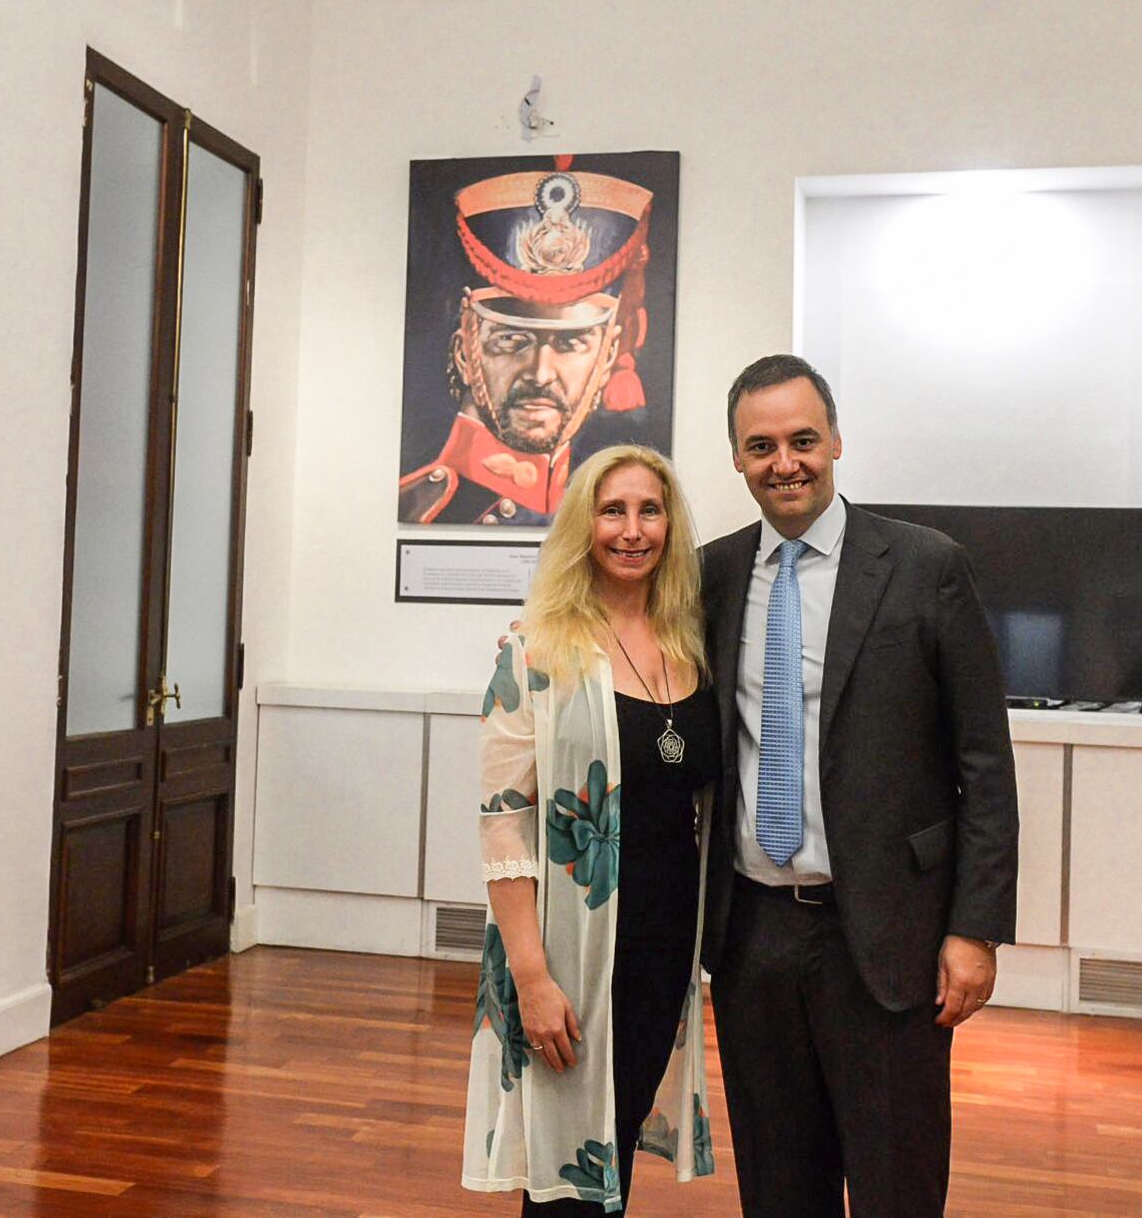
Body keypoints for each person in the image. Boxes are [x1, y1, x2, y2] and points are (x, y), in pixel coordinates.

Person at [699, 354, 1019, 1217]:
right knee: (778, 1189)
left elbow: (984, 764)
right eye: (761, 445)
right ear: (737, 457)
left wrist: (976, 928)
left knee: (896, 1188)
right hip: (753, 937)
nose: (785, 462)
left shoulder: (925, 565)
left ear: (836, 440)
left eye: (803, 439)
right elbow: (622, 643)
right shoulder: (710, 576)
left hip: (886, 938)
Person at [462, 445, 721, 1213]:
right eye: (613, 511)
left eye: (649, 510)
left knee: (612, 1153)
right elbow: (503, 826)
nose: (632, 530)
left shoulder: (692, 644)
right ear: (584, 524)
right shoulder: (535, 650)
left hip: (662, 949)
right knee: (564, 1170)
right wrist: (532, 978)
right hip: (568, 951)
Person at [401, 165, 659, 526]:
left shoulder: (597, 517)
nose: (540, 374)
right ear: (463, 353)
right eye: (511, 341)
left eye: (571, 343)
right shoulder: (419, 513)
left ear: (608, 356)